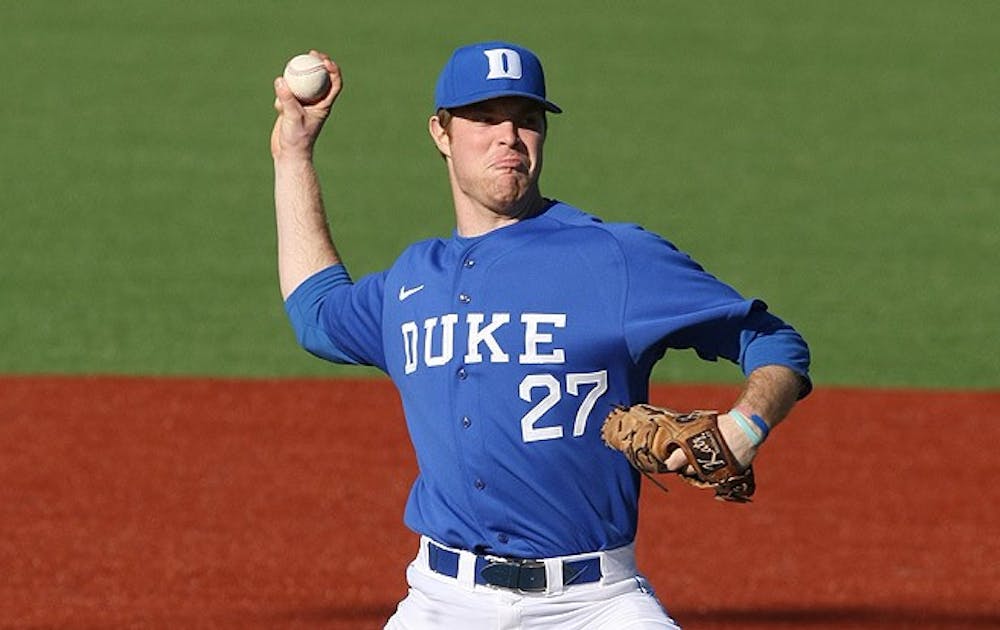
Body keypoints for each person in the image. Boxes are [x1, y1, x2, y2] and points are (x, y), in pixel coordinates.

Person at [270, 41, 811, 630]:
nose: (508, 135)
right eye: (484, 118)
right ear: (441, 133)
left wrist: (746, 425)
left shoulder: (615, 257)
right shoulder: (412, 281)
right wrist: (293, 154)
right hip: (442, 602)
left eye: (526, 120)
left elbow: (774, 342)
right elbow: (317, 314)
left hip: (594, 603)